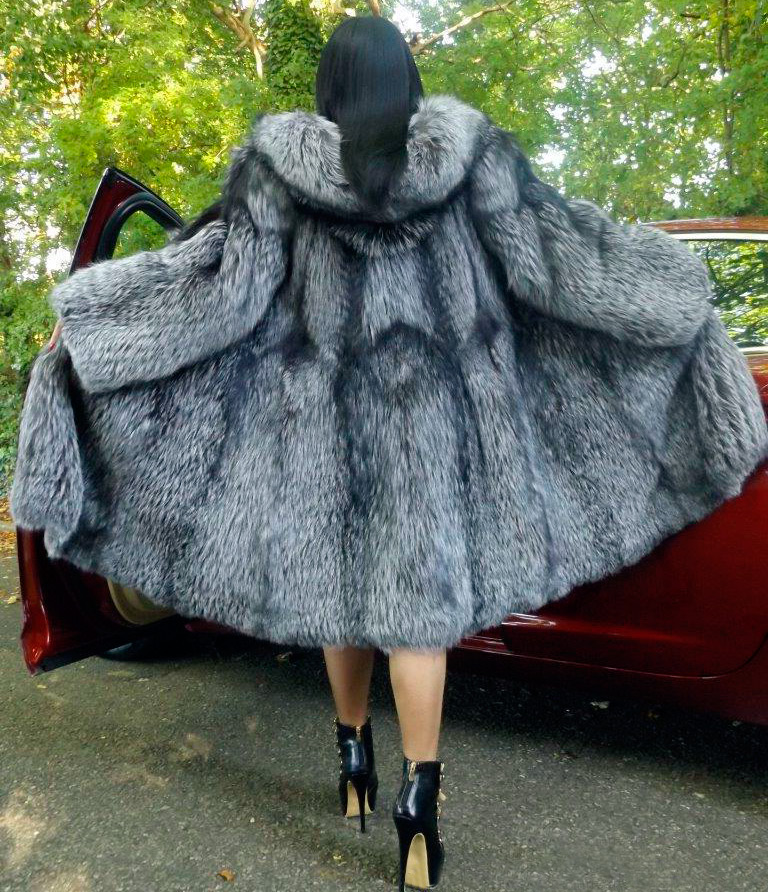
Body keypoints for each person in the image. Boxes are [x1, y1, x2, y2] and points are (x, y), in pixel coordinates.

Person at [20, 13, 768, 892]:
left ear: (328, 86)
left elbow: (217, 296)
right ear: (408, 79)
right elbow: (561, 263)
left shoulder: (277, 174)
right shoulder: (475, 160)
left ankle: (353, 764)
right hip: (430, 440)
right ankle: (421, 799)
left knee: (341, 601)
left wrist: (95, 325)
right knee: (419, 619)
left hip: (320, 438)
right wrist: (672, 289)